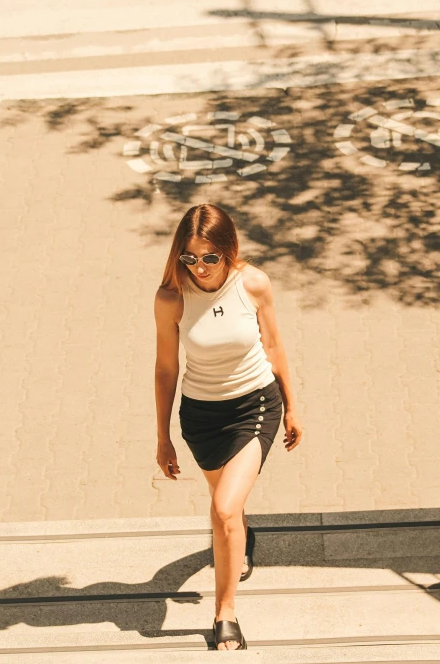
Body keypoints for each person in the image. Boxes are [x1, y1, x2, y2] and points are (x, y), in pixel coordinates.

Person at [154, 203, 303, 651]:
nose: (198, 267)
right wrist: (162, 435)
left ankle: (225, 613)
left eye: (208, 257)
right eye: (189, 258)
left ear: (228, 250)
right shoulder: (171, 296)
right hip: (201, 416)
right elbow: (165, 368)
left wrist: (292, 408)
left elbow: (274, 346)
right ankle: (242, 537)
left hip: (254, 406)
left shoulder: (253, 283)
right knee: (228, 512)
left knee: (222, 509)